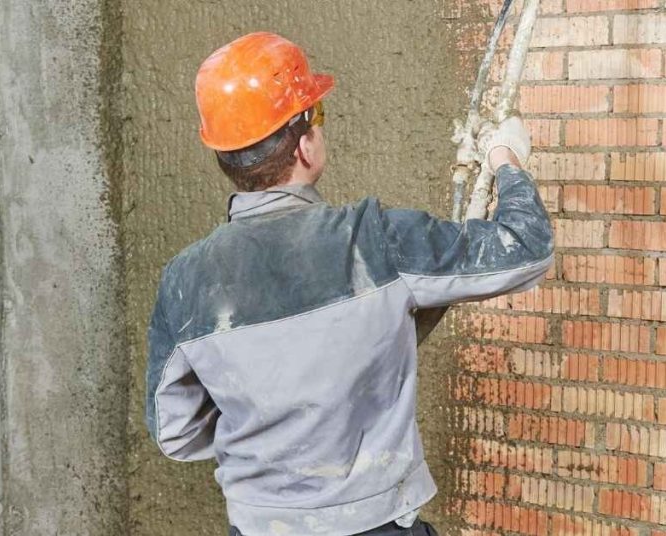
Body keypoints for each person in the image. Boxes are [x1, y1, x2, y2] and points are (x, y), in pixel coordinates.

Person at [145, 32, 554, 536]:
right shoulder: (372, 241)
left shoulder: (185, 281)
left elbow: (176, 433)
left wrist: (269, 416)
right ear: (304, 144)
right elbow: (526, 249)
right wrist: (505, 159)